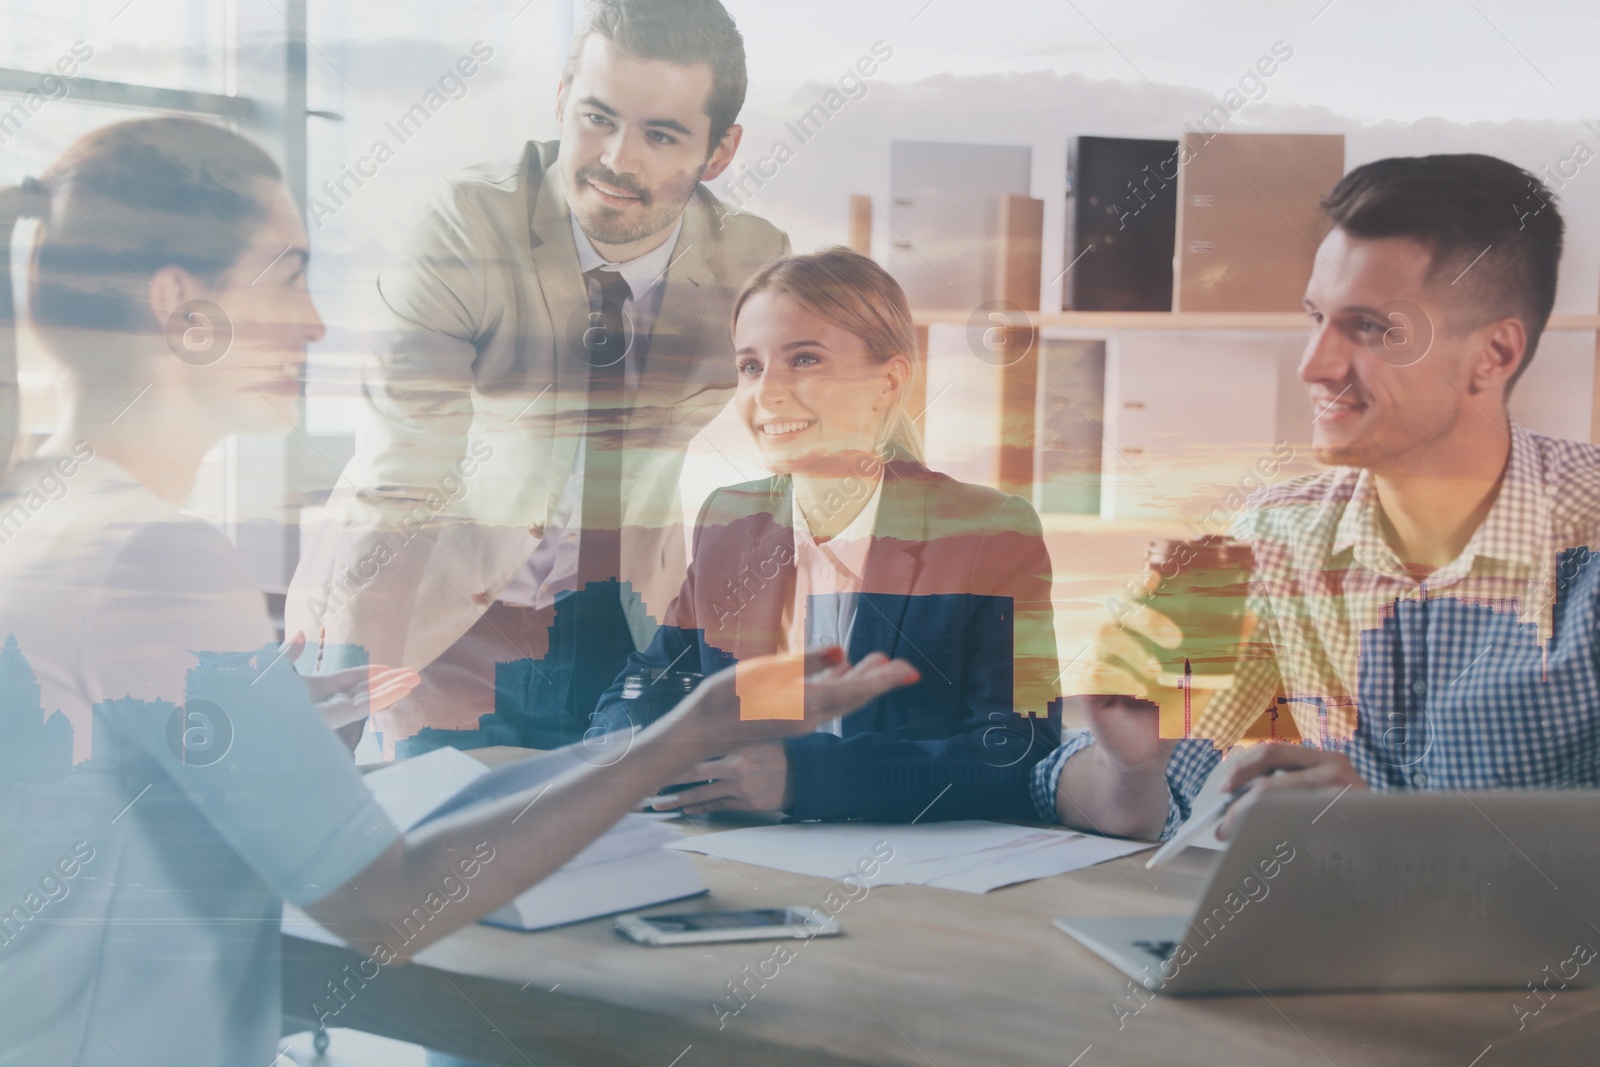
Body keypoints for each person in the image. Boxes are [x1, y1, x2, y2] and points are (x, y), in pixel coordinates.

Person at [0, 116, 916, 1067]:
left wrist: (251, 716)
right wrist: (681, 738)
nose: (314, 321)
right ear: (181, 307)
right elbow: (386, 906)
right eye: (288, 274)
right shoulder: (156, 556)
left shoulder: (40, 514)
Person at [1038, 153, 1598, 842]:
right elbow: (1124, 808)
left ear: (1495, 354)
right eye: (1317, 319)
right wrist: (1131, 766)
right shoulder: (1274, 536)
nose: (1314, 366)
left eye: (1369, 328)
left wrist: (1398, 835)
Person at [286, 0, 788, 757]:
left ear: (719, 151)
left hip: (620, 626)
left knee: (634, 866)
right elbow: (403, 481)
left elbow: (813, 441)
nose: (619, 158)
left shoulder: (751, 261)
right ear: (561, 100)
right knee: (442, 858)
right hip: (439, 621)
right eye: (597, 117)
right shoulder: (464, 227)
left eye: (661, 134)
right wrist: (334, 730)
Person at [593, 249, 1061, 822]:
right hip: (738, 847)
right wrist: (629, 751)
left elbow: (1018, 752)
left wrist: (804, 778)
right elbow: (649, 680)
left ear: (887, 382)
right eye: (750, 366)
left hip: (905, 872)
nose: (767, 393)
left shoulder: (987, 531)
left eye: (805, 359)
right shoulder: (731, 521)